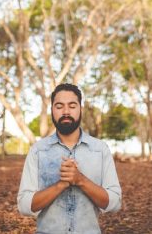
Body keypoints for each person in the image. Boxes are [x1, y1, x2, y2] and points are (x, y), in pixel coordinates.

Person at [17, 83, 122, 234]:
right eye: (59, 106)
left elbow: (115, 203)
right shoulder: (38, 151)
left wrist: (80, 180)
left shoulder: (100, 149)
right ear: (52, 110)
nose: (66, 112)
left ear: (81, 109)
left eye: (72, 106)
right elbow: (24, 206)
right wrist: (60, 185)